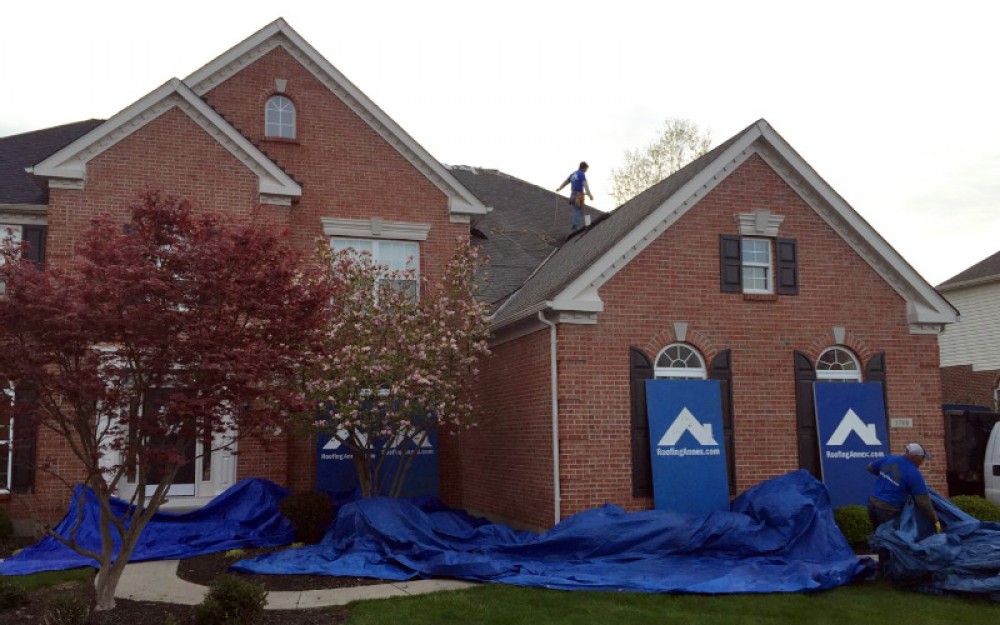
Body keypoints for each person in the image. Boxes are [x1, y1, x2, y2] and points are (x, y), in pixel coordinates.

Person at [866, 442, 942, 533]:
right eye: (922, 458)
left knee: (878, 536)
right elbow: (923, 502)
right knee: (890, 540)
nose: (923, 461)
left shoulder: (890, 459)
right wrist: (935, 519)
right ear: (914, 456)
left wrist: (885, 477)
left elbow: (870, 467)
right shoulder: (914, 474)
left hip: (872, 504)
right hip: (889, 509)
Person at [556, 161, 593, 231]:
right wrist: (589, 195)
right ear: (584, 168)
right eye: (586, 169)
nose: (586, 170)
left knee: (581, 210)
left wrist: (560, 188)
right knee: (578, 210)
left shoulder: (573, 174)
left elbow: (566, 182)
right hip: (578, 195)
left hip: (572, 195)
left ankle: (584, 225)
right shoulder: (581, 174)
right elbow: (585, 185)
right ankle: (574, 226)